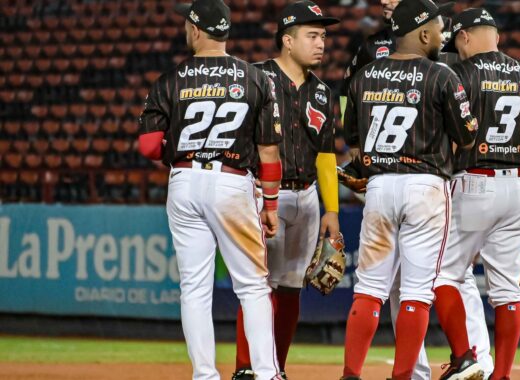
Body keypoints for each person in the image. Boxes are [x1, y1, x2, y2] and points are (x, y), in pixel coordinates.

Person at [342, 1, 494, 377]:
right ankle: (403, 375)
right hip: (426, 187)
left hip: (378, 187)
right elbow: (468, 134)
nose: (443, 37)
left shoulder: (365, 76)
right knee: (416, 292)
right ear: (424, 33)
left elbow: (353, 139)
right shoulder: (442, 76)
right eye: (439, 30)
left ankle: (350, 374)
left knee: (369, 289)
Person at [137, 1, 283, 379]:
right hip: (233, 180)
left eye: (188, 23)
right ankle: (267, 374)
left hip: (184, 179)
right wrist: (270, 203)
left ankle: (205, 374)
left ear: (198, 30)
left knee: (194, 289)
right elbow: (269, 151)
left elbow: (149, 146)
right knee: (252, 287)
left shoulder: (171, 79)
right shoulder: (255, 78)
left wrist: (178, 151)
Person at [433, 8, 520, 380]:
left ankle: (465, 357)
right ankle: (502, 374)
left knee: (441, 275)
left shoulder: (457, 74)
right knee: (507, 291)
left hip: (474, 180)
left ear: (463, 37)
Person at [231, 2, 340, 379]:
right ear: (288, 41)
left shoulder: (324, 93)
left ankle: (275, 369)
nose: (321, 43)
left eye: (323, 35)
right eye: (313, 35)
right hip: (263, 194)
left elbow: (326, 155)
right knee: (258, 285)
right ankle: (247, 368)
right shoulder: (254, 78)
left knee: (292, 286)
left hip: (308, 195)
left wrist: (332, 211)